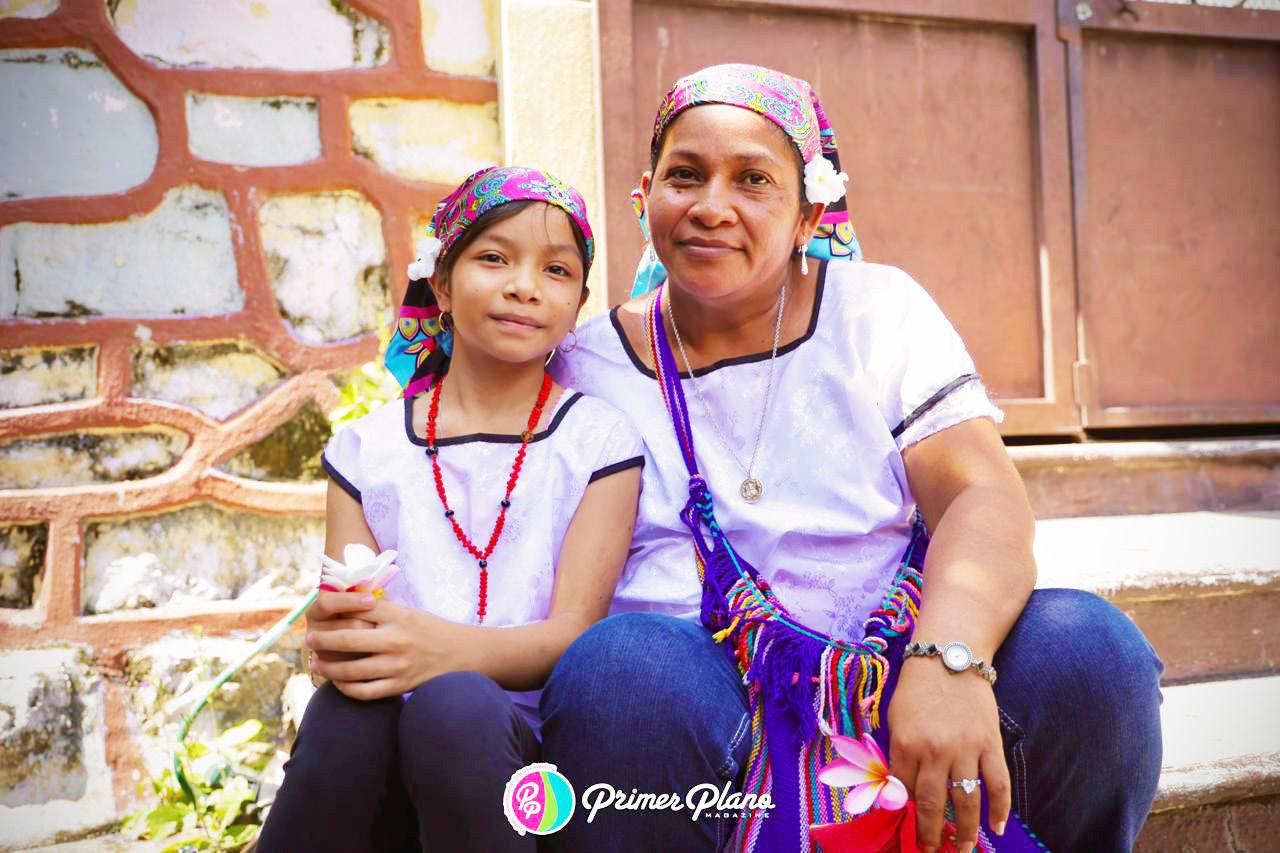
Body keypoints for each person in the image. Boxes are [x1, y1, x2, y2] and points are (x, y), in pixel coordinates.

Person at [545, 64, 1163, 853]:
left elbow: (980, 496)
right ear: (645, 197)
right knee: (620, 669)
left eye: (753, 180)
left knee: (1091, 651)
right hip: (706, 715)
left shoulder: (878, 311)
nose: (711, 206)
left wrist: (949, 659)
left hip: (903, 681)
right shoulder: (584, 365)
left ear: (809, 214)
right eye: (685, 175)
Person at [257, 166, 644, 853]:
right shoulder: (367, 451)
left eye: (556, 270)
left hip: (522, 761)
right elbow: (352, 620)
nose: (525, 286)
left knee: (454, 703)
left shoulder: (598, 441)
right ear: (440, 283)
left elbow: (575, 633)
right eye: (494, 258)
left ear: (578, 302)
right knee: (346, 713)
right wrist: (337, 639)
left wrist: (440, 654)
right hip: (381, 749)